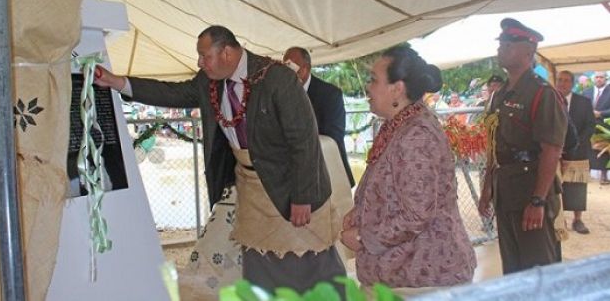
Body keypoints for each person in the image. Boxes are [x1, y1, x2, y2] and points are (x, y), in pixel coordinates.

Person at [94, 25, 345, 293]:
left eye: (205, 56)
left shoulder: (277, 78)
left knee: (309, 257)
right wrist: (118, 81)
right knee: (259, 261)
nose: (200, 63)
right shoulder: (209, 81)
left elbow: (304, 140)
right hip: (251, 187)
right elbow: (172, 93)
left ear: (226, 52)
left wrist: (302, 196)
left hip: (290, 186)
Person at [340, 46, 476, 290]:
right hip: (403, 276)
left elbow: (416, 214)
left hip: (421, 279)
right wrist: (360, 211)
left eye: (373, 80)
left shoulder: (416, 135)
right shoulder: (399, 125)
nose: (368, 88)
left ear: (397, 89)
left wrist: (364, 236)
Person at [478, 18, 567, 274]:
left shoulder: (542, 93)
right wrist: (487, 188)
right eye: (501, 43)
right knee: (513, 268)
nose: (501, 48)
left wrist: (538, 201)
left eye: (509, 43)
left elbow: (552, 150)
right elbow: (495, 148)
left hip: (531, 190)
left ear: (529, 51)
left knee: (539, 268)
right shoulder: (500, 95)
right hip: (506, 190)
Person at [282, 46, 355, 187]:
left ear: (306, 69)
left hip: (329, 170)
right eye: (284, 68)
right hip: (295, 176)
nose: (287, 74)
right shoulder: (283, 94)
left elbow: (333, 135)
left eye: (291, 68)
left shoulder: (330, 94)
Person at [556, 70, 595, 234]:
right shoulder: (551, 100)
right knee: (556, 187)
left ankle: (577, 220)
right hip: (555, 153)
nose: (562, 83)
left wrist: (576, 144)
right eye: (560, 80)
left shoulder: (584, 102)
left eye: (566, 80)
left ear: (572, 83)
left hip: (578, 152)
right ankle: (559, 220)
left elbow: (590, 125)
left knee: (577, 186)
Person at [582, 71, 610, 185]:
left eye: (601, 77)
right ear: (594, 79)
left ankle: (604, 175)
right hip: (588, 126)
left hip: (605, 127)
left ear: (606, 79)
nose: (599, 79)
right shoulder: (586, 92)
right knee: (587, 149)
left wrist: (601, 113)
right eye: (597, 77)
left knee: (603, 150)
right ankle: (586, 174)